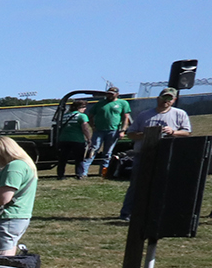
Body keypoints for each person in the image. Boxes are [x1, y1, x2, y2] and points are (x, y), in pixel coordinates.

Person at [120, 88, 194, 222]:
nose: (166, 101)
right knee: (137, 184)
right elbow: (130, 134)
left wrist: (173, 132)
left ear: (174, 100)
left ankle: (159, 212)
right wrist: (146, 134)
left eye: (169, 99)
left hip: (167, 154)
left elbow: (187, 132)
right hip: (144, 154)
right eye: (164, 98)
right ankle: (127, 213)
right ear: (158, 98)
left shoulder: (180, 114)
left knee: (164, 184)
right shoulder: (144, 115)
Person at [0, 136, 38, 257]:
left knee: (1, 257)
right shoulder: (22, 165)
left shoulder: (14, 167)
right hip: (7, 218)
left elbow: (3, 199)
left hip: (6, 219)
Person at [79, 86, 131, 181]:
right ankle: (83, 172)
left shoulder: (123, 103)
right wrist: (93, 126)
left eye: (112, 94)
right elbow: (90, 115)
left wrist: (123, 130)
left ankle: (104, 172)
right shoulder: (100, 104)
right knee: (93, 150)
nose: (109, 95)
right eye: (108, 94)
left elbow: (125, 117)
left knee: (108, 152)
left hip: (113, 130)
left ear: (117, 94)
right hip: (99, 130)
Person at [52, 103, 91, 180]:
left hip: (64, 139)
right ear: (79, 107)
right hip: (77, 139)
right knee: (79, 158)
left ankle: (60, 175)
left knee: (62, 158)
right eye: (84, 107)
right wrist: (89, 138)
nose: (85, 109)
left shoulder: (64, 115)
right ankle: (79, 174)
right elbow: (85, 128)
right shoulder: (82, 116)